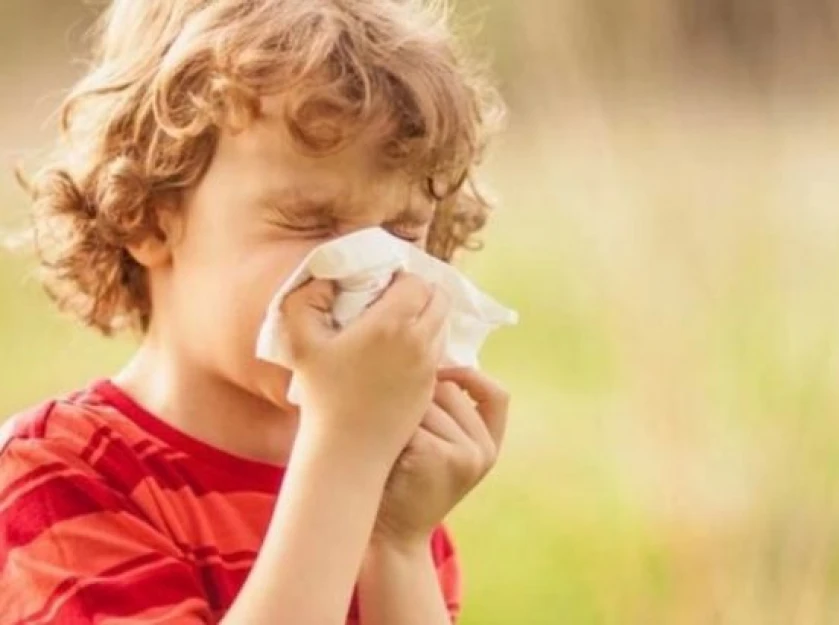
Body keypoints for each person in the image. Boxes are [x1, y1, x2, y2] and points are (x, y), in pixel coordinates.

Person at [0, 0, 509, 623]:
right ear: (149, 214)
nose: (370, 269)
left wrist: (397, 544)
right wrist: (346, 451)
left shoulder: (391, 490)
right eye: (309, 222)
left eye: (404, 231)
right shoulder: (57, 481)